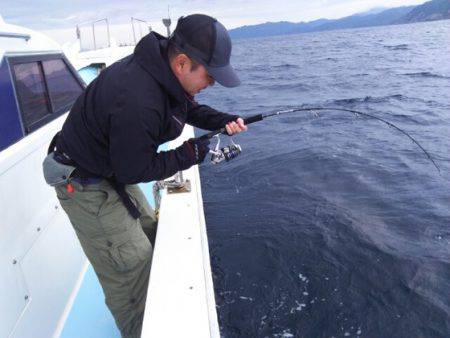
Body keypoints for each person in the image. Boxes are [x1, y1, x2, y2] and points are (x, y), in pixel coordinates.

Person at [43, 14, 246, 338]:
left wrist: (224, 120)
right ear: (182, 63)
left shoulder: (159, 72)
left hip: (106, 168)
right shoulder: (139, 98)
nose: (213, 83)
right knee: (132, 269)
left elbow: (186, 109)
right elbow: (134, 170)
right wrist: (191, 153)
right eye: (210, 75)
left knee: (151, 228)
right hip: (84, 183)